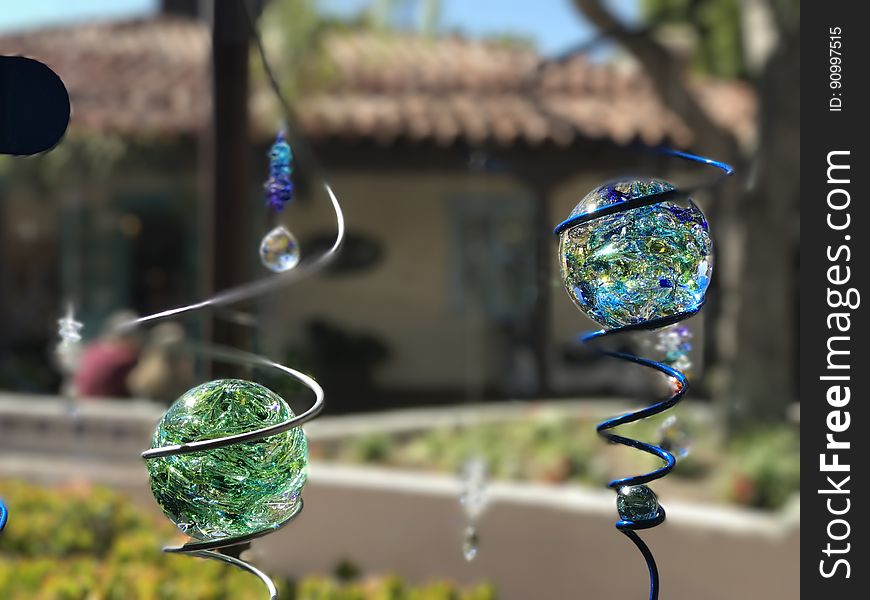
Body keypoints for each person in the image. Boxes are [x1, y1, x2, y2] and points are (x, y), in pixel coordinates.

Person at [73, 310, 142, 399]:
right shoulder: (125, 357)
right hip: (108, 407)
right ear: (130, 336)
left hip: (84, 403)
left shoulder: (92, 348)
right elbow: (140, 386)